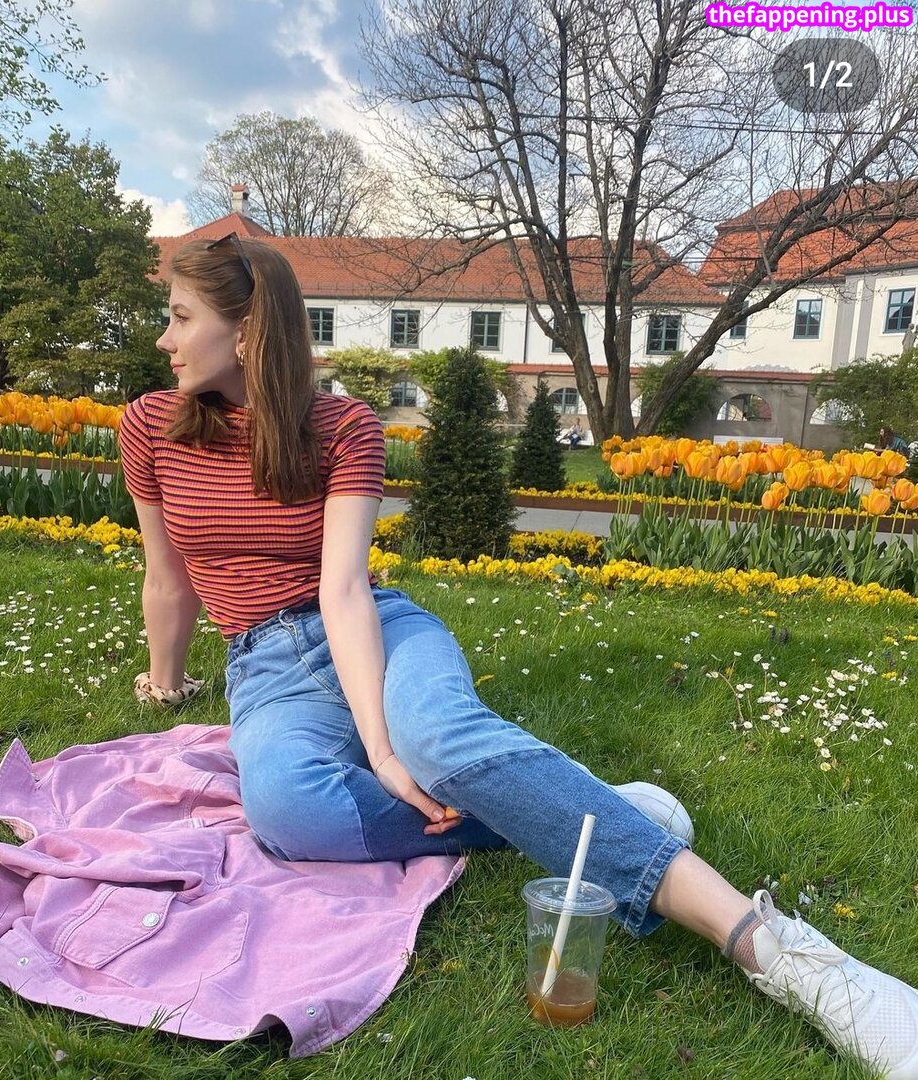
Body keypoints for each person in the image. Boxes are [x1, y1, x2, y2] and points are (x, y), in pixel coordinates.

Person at [118, 234, 918, 1079]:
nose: (165, 339)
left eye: (181, 318)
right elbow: (166, 578)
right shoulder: (151, 427)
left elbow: (343, 590)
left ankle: (776, 950)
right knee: (286, 813)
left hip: (375, 628)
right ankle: (585, 813)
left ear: (247, 330)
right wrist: (165, 683)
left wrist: (383, 750)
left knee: (437, 742)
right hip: (266, 670)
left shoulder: (342, 426)